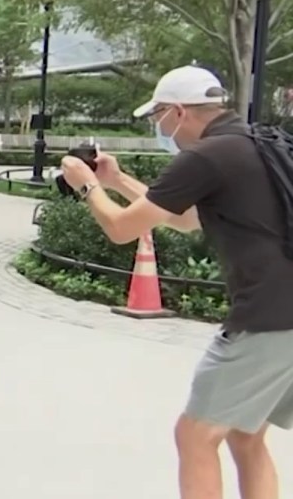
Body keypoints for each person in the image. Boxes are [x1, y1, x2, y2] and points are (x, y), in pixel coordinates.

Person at [59, 64, 293, 499]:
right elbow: (184, 219)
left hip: (267, 318)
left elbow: (122, 229)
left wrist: (88, 185)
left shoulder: (204, 156)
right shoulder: (254, 142)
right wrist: (117, 179)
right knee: (246, 435)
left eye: (158, 117)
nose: (159, 127)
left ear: (179, 113)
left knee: (195, 436)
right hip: (287, 319)